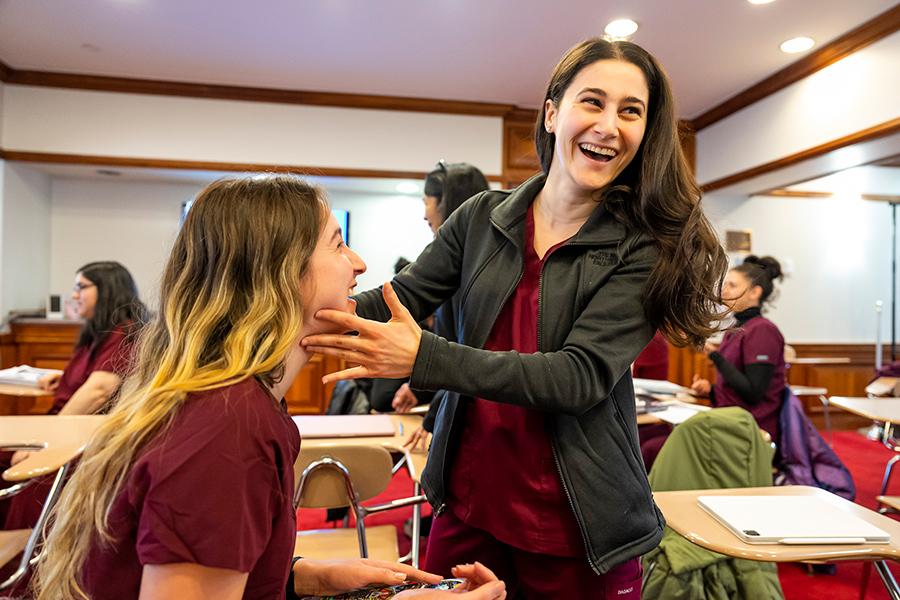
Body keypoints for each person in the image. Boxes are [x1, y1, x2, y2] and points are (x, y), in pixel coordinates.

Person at [302, 38, 728, 598]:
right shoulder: (481, 217)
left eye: (631, 111)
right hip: (471, 503)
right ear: (552, 113)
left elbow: (577, 376)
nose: (609, 125)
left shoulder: (641, 249)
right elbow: (403, 296)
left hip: (576, 523)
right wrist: (296, 306)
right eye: (592, 102)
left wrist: (424, 357)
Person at [32, 176, 506, 600]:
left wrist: (307, 577)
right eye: (338, 245)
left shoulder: (235, 402)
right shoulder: (227, 429)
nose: (358, 264)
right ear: (282, 275)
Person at [3, 261, 146, 532]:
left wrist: (44, 441)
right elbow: (91, 378)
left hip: (81, 440)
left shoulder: (125, 332)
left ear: (107, 289)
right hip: (62, 427)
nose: (74, 295)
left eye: (81, 287)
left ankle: (21, 561)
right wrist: (64, 377)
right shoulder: (98, 332)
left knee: (32, 476)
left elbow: (100, 390)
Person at [391, 162, 491, 450]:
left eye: (426, 202)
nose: (425, 214)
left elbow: (461, 357)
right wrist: (417, 388)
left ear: (447, 204)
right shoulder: (473, 261)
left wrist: (433, 417)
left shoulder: (465, 271)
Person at [691, 255, 787, 441]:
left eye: (732, 285)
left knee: (652, 448)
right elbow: (735, 391)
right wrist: (710, 390)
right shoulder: (735, 329)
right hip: (728, 420)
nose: (724, 291)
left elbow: (753, 392)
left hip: (750, 431)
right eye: (725, 285)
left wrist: (715, 356)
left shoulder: (763, 331)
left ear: (755, 292)